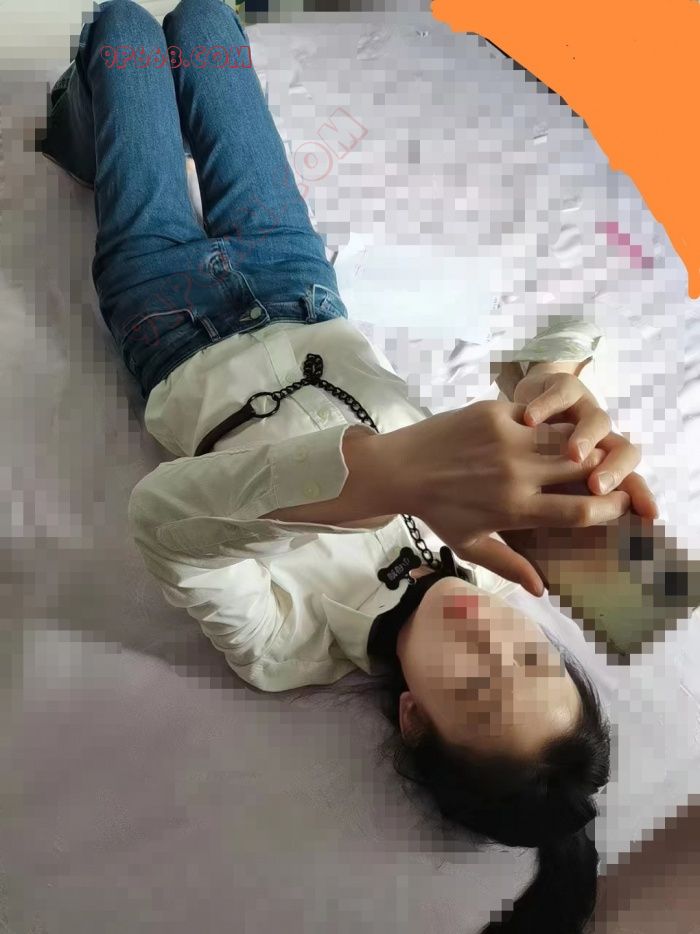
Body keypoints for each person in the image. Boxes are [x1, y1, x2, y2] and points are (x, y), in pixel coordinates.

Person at [40, 1, 659, 931]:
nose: (490, 639)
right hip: (299, 279)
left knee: (126, 25)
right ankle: (109, 136)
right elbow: (566, 334)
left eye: (475, 686)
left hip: (168, 316)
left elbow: (163, 517)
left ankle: (87, 130)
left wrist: (380, 478)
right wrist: (559, 381)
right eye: (531, 656)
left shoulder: (287, 649)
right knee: (205, 19)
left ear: (414, 717)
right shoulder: (506, 550)